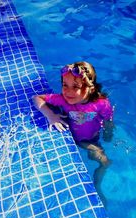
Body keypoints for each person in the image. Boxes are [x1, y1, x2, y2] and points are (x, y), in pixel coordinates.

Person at [33, 61, 114, 195]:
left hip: (92, 139)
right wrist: (51, 115)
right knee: (104, 160)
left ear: (90, 89)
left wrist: (108, 133)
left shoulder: (101, 104)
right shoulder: (62, 100)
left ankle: (97, 187)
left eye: (75, 86)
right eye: (65, 85)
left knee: (104, 163)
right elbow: (36, 98)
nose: (68, 91)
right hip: (74, 138)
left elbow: (108, 120)